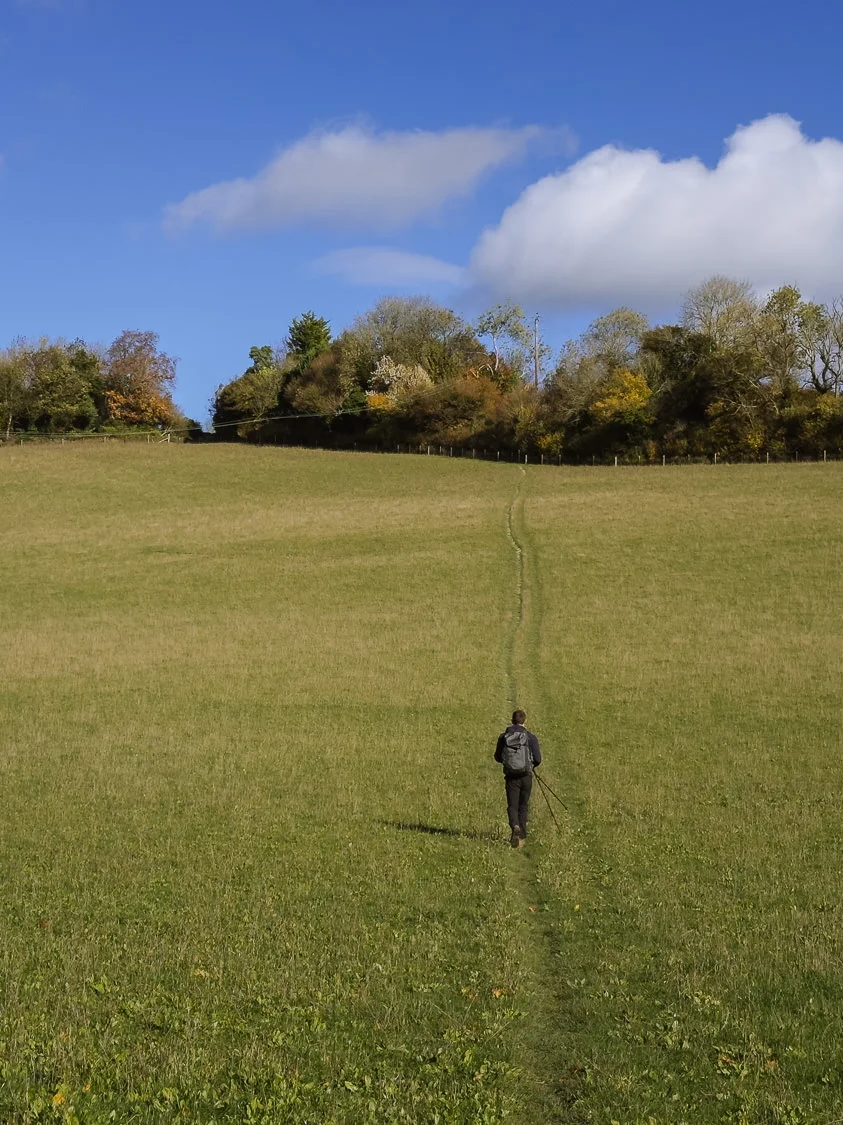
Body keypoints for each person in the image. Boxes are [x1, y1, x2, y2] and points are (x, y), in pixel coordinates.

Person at [494, 709, 541, 848]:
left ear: (512, 720)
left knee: (512, 805)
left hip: (511, 777)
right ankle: (522, 838)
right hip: (526, 776)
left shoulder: (504, 737)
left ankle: (515, 827)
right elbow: (538, 759)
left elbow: (497, 757)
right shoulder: (531, 737)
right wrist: (530, 765)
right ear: (524, 721)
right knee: (523, 805)